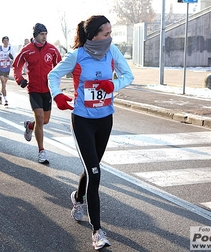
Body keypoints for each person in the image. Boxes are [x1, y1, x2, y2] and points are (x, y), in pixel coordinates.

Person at [47, 15, 134, 250]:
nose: (110, 37)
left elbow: (129, 76)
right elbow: (52, 75)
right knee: (95, 173)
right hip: (83, 120)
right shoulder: (77, 55)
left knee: (91, 168)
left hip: (105, 120)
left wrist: (112, 85)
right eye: (106, 33)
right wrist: (57, 95)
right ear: (94, 34)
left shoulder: (112, 51)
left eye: (110, 33)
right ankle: (97, 231)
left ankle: (77, 197)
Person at [12, 23, 61, 164]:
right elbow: (17, 66)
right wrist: (19, 79)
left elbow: (60, 66)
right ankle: (41, 151)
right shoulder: (26, 50)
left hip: (47, 90)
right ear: (35, 35)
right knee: (39, 117)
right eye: (42, 34)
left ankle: (30, 126)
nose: (44, 36)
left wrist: (58, 83)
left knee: (45, 120)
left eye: (46, 34)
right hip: (33, 89)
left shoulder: (52, 49)